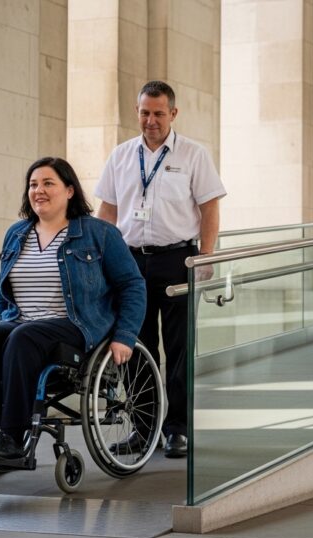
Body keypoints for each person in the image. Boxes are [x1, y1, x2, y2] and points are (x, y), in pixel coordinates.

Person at [0, 158, 146, 462]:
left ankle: (11, 438)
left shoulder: (99, 233)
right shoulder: (17, 233)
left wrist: (125, 335)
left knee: (24, 336)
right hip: (22, 323)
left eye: (48, 183)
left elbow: (132, 285)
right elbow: (4, 289)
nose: (38, 190)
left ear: (69, 191)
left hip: (76, 326)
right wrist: (5, 319)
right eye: (33, 184)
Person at [94, 81, 226, 458]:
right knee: (135, 345)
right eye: (144, 113)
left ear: (173, 113)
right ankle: (144, 427)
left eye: (158, 113)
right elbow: (107, 212)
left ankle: (177, 429)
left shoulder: (193, 154)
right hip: (128, 262)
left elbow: (210, 209)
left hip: (177, 259)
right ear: (136, 112)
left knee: (179, 347)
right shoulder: (121, 155)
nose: (150, 120)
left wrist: (206, 255)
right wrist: (97, 259)